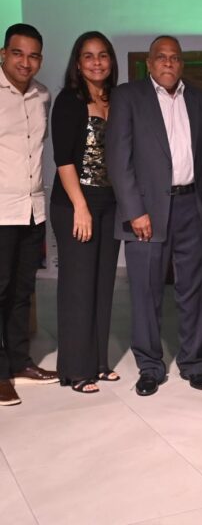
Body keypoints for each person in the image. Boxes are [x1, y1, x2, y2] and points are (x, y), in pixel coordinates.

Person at [106, 35, 202, 396]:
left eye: (175, 58)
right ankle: (150, 367)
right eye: (161, 57)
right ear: (150, 63)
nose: (168, 63)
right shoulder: (128, 97)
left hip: (192, 207)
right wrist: (134, 211)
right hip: (146, 211)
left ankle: (194, 363)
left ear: (181, 63)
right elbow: (118, 159)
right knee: (145, 292)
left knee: (195, 291)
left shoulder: (199, 99)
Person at [50, 31, 121, 394]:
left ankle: (99, 363)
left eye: (103, 55)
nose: (96, 62)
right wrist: (80, 207)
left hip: (110, 203)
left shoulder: (117, 99)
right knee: (78, 286)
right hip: (75, 202)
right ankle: (76, 370)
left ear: (111, 61)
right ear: (78, 63)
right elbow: (63, 160)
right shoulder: (69, 100)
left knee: (103, 284)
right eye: (88, 56)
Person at [0, 24, 58, 407]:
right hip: (1, 210)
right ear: (3, 53)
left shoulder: (42, 96)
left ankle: (20, 362)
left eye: (33, 55)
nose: (26, 62)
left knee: (23, 291)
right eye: (18, 53)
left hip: (32, 209)